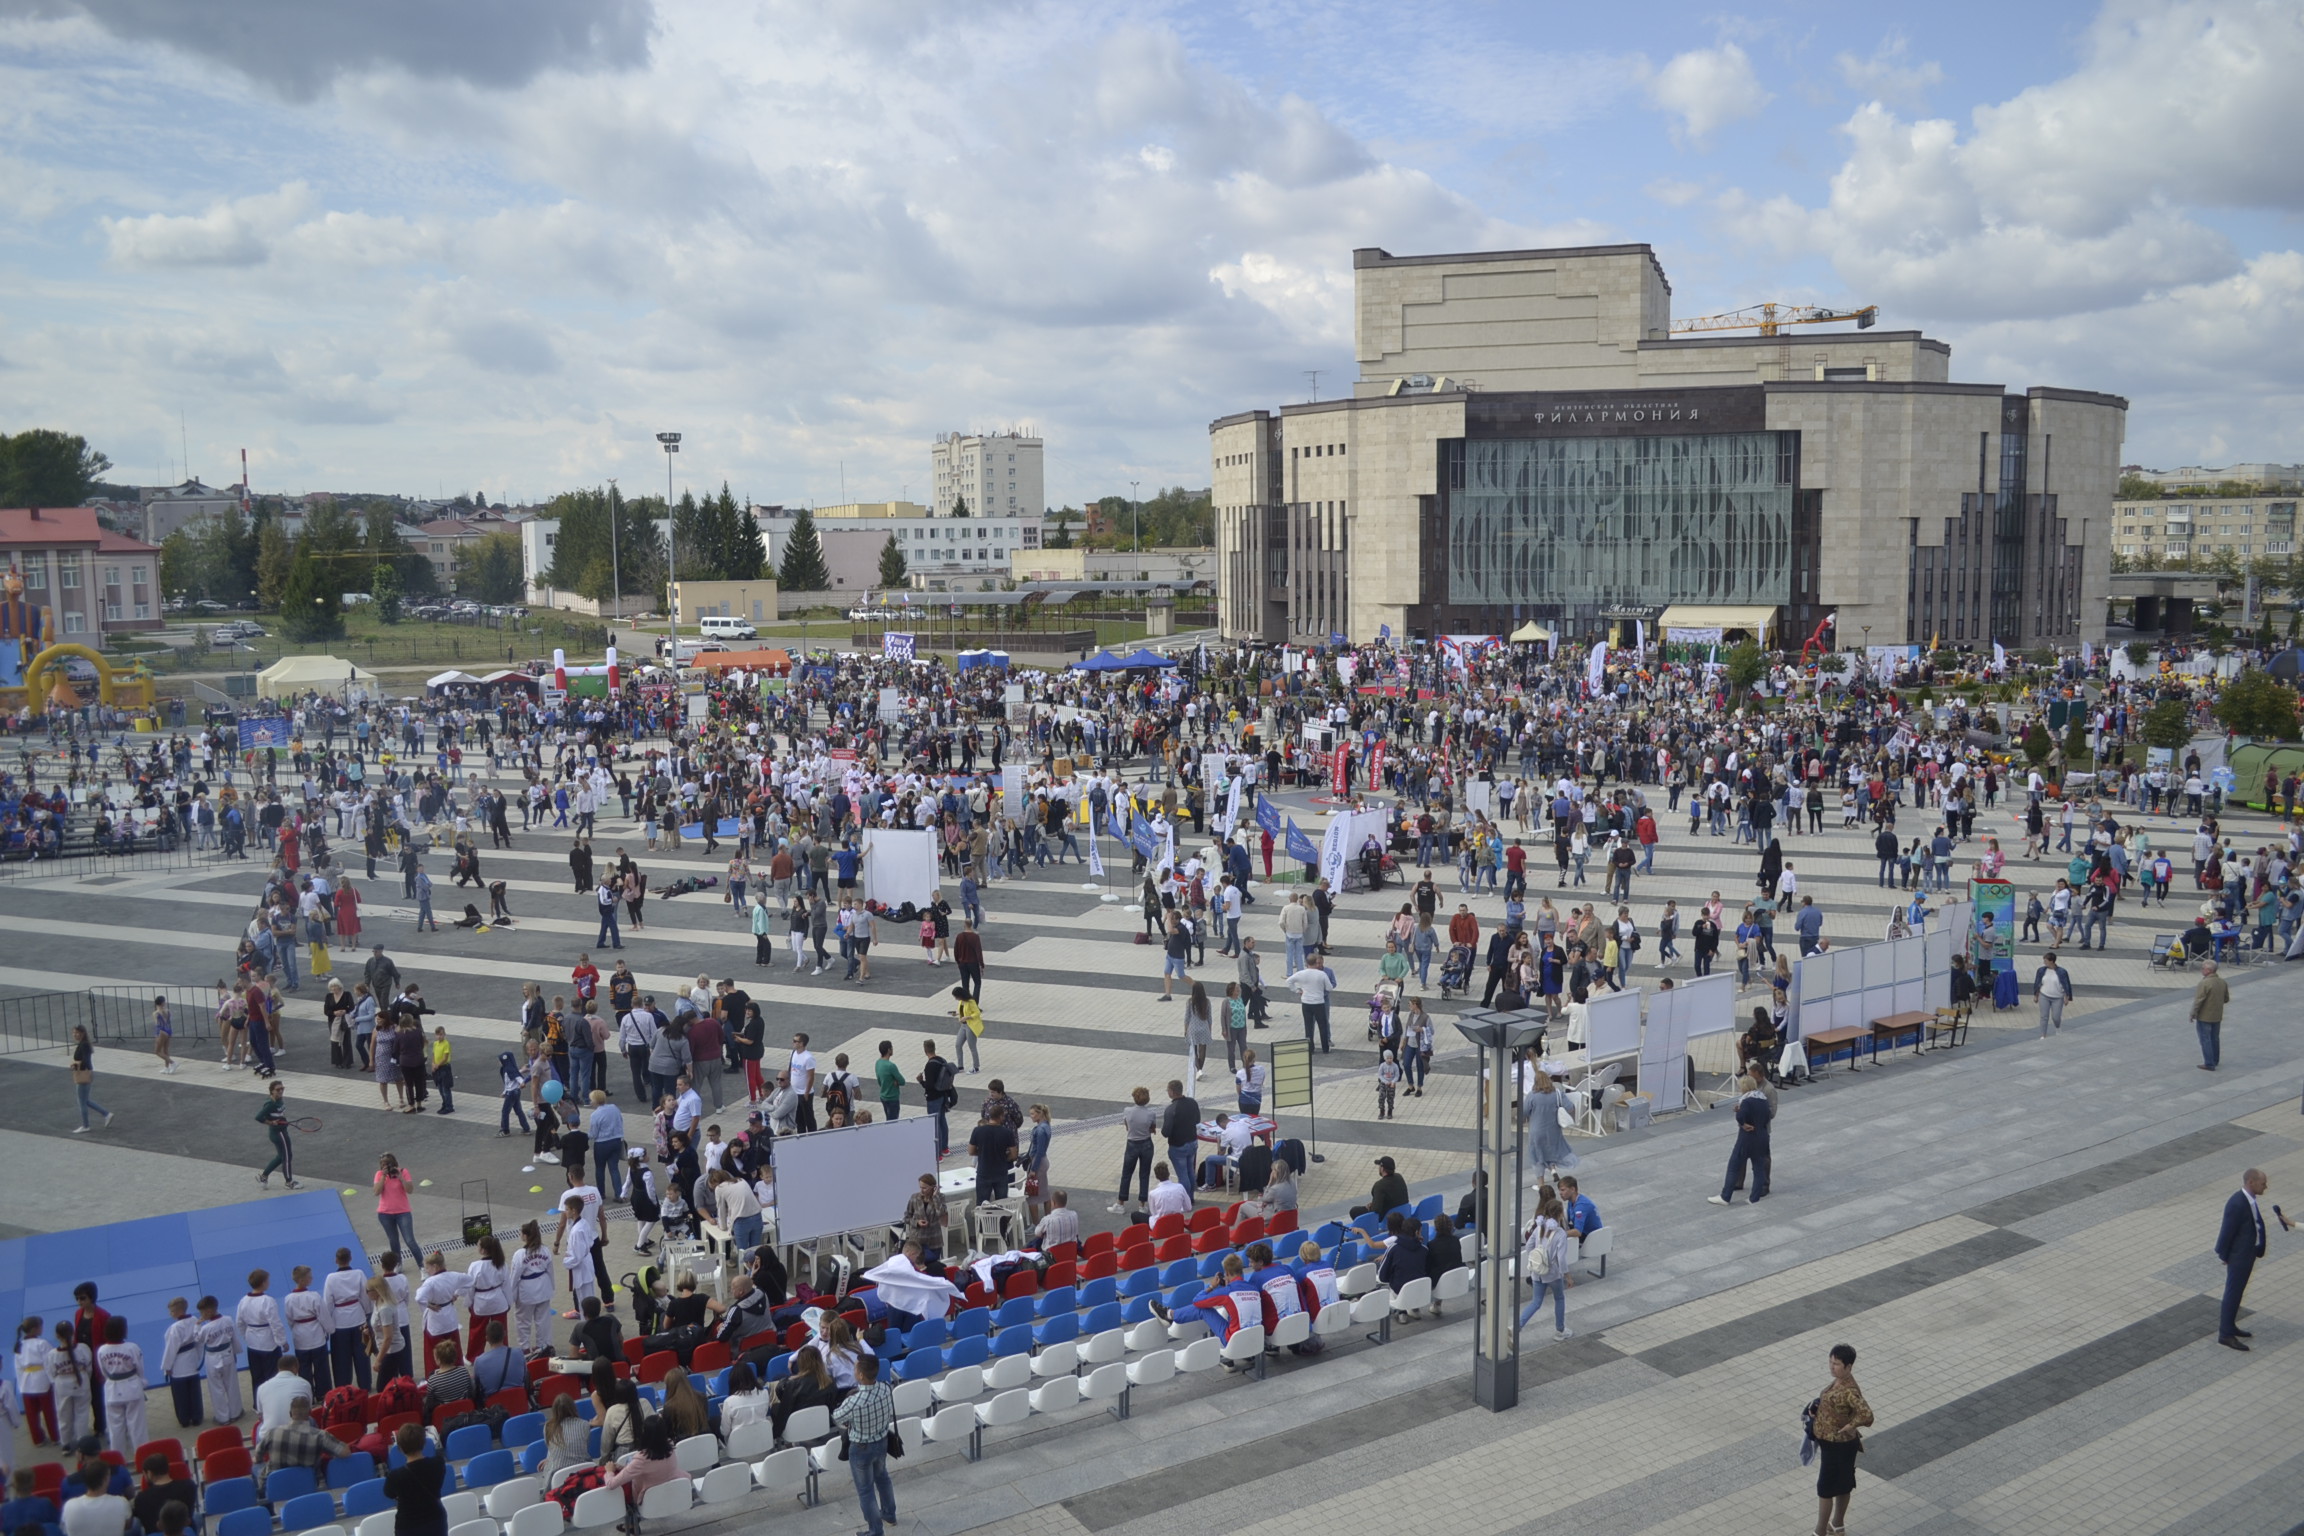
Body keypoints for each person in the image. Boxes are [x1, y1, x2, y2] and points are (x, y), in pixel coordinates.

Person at [2215, 1167, 2292, 1350]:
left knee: (2238, 1292)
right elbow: (2226, 1233)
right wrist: (2224, 1255)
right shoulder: (2237, 1203)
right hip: (2239, 1257)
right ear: (2251, 1182)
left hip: (2247, 1254)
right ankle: (2225, 1334)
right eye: (2263, 1183)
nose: (2266, 1186)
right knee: (2233, 1293)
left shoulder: (2249, 1200)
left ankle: (2230, 1325)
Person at [1807, 1343, 1873, 1536]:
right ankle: (1838, 1525)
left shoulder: (1848, 1390)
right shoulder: (1839, 1382)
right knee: (1843, 1484)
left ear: (1849, 1367)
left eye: (1836, 1364)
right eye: (1830, 1362)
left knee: (1826, 1488)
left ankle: (1820, 1531)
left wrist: (1851, 1426)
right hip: (1837, 1443)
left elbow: (1867, 1414)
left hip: (1838, 1445)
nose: (1831, 1367)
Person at [831, 1354, 898, 1536]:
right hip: (882, 1441)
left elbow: (836, 1416)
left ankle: (875, 1530)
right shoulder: (886, 1388)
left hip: (861, 1448)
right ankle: (889, 1514)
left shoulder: (854, 1401)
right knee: (883, 1478)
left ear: (860, 1376)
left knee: (865, 1490)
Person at [1708, 1072, 1774, 1205]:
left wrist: (1743, 1123)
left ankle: (1725, 1196)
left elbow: (1740, 1117)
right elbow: (1767, 1116)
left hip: (1747, 1138)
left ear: (1744, 1087)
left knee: (1734, 1165)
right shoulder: (1763, 1099)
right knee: (1758, 1168)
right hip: (1762, 1136)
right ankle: (1754, 1198)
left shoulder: (1746, 1100)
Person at [380, 1422, 447, 1536]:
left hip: (408, 1526)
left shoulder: (395, 1476)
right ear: (424, 1443)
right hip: (436, 1518)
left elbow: (389, 1493)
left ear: (400, 1448)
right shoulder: (438, 1463)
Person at [92, 1317, 145, 1455]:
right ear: (123, 1330)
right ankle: (143, 1456)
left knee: (115, 1427)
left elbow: (103, 1371)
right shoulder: (132, 1347)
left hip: (112, 1389)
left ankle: (117, 1459)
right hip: (131, 1386)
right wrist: (141, 1381)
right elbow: (140, 1368)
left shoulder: (102, 1350)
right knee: (137, 1426)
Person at [65, 1026, 112, 1134]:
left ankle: (86, 1125)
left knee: (82, 1102)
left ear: (82, 1033)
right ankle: (106, 1114)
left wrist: (75, 1065)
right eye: (73, 1033)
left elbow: (85, 1061)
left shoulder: (84, 1044)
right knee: (85, 1100)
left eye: (76, 1033)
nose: (74, 1035)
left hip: (83, 1074)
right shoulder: (84, 1044)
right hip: (86, 1073)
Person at [2191, 959, 2231, 1070]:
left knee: (2205, 1039)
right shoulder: (2222, 982)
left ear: (2208, 970)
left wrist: (2193, 1013)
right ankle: (2215, 1059)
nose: (2201, 970)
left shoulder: (2204, 983)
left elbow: (2199, 1000)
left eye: (2203, 968)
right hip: (2217, 1015)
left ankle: (2209, 1063)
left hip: (2205, 1016)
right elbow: (2226, 999)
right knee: (2215, 1038)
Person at [2032, 949, 2073, 1038]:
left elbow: (2066, 985)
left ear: (2051, 961)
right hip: (2044, 995)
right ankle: (2043, 1034)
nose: (2044, 962)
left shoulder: (2062, 972)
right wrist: (2036, 995)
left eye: (2046, 961)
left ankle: (2058, 1027)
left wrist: (2066, 997)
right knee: (2044, 1016)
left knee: (2056, 1017)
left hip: (2057, 997)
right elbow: (2037, 983)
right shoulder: (2041, 971)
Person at [1351, 1156, 1408, 1220]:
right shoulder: (1399, 1177)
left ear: (1382, 1168)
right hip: (1404, 1212)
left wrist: (1370, 1207)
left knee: (1354, 1211)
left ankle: (1362, 1229)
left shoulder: (1379, 1185)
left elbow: (1376, 1210)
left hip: (1389, 1217)